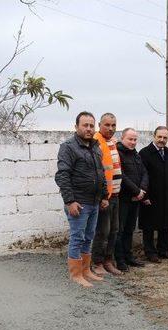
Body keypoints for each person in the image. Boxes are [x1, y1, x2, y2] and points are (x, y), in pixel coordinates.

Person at [54, 111, 107, 288]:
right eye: (85, 125)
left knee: (89, 237)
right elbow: (62, 175)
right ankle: (76, 274)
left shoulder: (95, 148)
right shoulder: (68, 147)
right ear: (76, 126)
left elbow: (101, 174)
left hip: (94, 202)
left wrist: (104, 196)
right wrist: (70, 201)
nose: (89, 129)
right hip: (79, 202)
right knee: (78, 237)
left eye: (92, 126)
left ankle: (86, 270)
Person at [91, 113, 123, 276]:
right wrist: (103, 196)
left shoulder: (112, 142)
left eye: (114, 125)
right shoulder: (96, 143)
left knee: (114, 230)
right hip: (105, 197)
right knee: (103, 231)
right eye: (107, 125)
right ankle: (97, 263)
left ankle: (108, 261)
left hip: (115, 195)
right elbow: (98, 172)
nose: (111, 128)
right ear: (99, 125)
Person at [114, 128, 148, 271]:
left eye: (135, 139)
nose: (133, 142)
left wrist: (142, 190)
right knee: (120, 230)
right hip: (123, 198)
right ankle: (120, 260)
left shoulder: (136, 154)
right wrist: (136, 190)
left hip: (136, 198)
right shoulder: (118, 153)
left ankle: (129, 256)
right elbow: (121, 175)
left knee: (129, 229)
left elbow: (144, 172)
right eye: (130, 139)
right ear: (122, 138)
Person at [139, 126, 168, 262]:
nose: (162, 140)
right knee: (149, 226)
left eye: (165, 137)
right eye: (159, 137)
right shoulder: (145, 153)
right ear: (154, 136)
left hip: (166, 196)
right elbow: (142, 175)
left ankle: (163, 249)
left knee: (165, 224)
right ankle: (150, 252)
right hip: (150, 196)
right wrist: (145, 196)